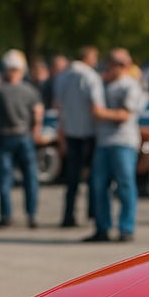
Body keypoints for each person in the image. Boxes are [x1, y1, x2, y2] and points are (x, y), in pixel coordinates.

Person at [86, 48, 144, 243]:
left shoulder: (130, 86)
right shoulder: (104, 85)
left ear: (125, 65)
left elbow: (124, 115)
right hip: (104, 142)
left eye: (117, 63)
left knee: (125, 185)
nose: (111, 66)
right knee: (99, 186)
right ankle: (102, 228)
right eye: (110, 62)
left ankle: (126, 228)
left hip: (123, 142)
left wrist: (101, 113)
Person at [0, 50, 43, 228]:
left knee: (6, 177)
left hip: (6, 136)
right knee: (29, 176)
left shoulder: (0, 92)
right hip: (23, 135)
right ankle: (31, 215)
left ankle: (7, 216)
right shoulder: (30, 90)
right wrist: (35, 132)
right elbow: (38, 113)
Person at [53, 46, 103, 227]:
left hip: (71, 131)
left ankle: (68, 215)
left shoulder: (62, 77)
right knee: (93, 176)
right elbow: (97, 106)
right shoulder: (90, 76)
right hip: (89, 131)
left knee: (72, 178)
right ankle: (93, 213)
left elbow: (58, 105)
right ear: (88, 57)